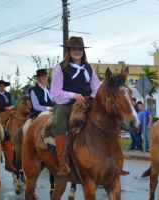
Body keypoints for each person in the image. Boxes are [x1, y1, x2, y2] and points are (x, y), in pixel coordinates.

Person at [50, 36, 101, 176]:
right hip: (66, 103)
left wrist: (92, 97)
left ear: (83, 51)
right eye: (74, 48)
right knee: (60, 120)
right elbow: (55, 92)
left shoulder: (88, 68)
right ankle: (63, 162)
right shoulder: (61, 68)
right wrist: (73, 95)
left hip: (86, 102)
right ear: (69, 50)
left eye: (79, 49)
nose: (77, 51)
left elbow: (97, 87)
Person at [0, 79, 17, 172]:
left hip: (10, 111)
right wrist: (4, 108)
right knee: (1, 125)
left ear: (5, 86)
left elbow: (13, 103)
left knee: (18, 117)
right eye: (0, 86)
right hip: (1, 112)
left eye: (3, 86)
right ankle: (2, 137)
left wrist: (11, 107)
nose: (2, 87)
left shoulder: (9, 94)